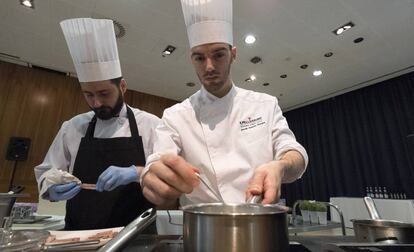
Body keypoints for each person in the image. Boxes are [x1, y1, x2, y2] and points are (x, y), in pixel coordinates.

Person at [141, 0, 308, 208]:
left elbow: (294, 153)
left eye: (219, 54)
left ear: (233, 55)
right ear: (191, 60)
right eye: (199, 58)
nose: (209, 66)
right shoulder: (175, 116)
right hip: (204, 228)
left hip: (260, 221)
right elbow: (158, 159)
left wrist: (280, 166)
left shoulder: (265, 104)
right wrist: (152, 174)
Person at [34, 18, 160, 230]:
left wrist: (136, 172)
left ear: (122, 86)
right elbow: (47, 171)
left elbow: (165, 176)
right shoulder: (73, 127)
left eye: (104, 93)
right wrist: (51, 188)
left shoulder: (150, 125)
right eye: (88, 95)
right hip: (79, 236)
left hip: (137, 236)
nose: (96, 103)